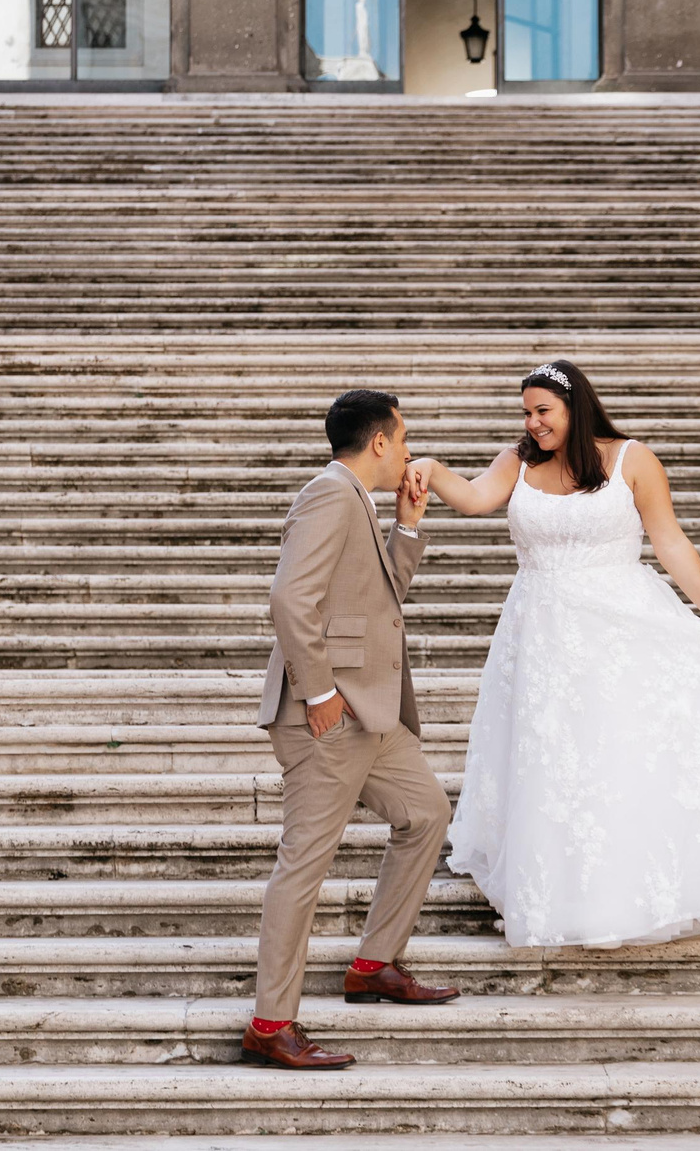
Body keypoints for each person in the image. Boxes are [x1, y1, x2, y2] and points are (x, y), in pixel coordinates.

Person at [410, 360, 700, 949]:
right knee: (551, 749)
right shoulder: (520, 461)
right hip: (537, 631)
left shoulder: (633, 460)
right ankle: (555, 883)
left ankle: (620, 883)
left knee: (615, 746)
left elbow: (669, 540)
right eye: (526, 412)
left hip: (617, 624)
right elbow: (476, 499)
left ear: (574, 408)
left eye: (543, 411)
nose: (533, 423)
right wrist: (430, 470)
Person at [243, 389, 460, 1071]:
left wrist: (408, 527)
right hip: (329, 715)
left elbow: (379, 600)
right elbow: (289, 596)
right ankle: (271, 1023)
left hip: (373, 712)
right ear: (378, 443)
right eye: (402, 438)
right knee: (305, 862)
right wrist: (320, 691)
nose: (405, 450)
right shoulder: (329, 494)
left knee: (425, 812)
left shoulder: (358, 500)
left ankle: (373, 965)